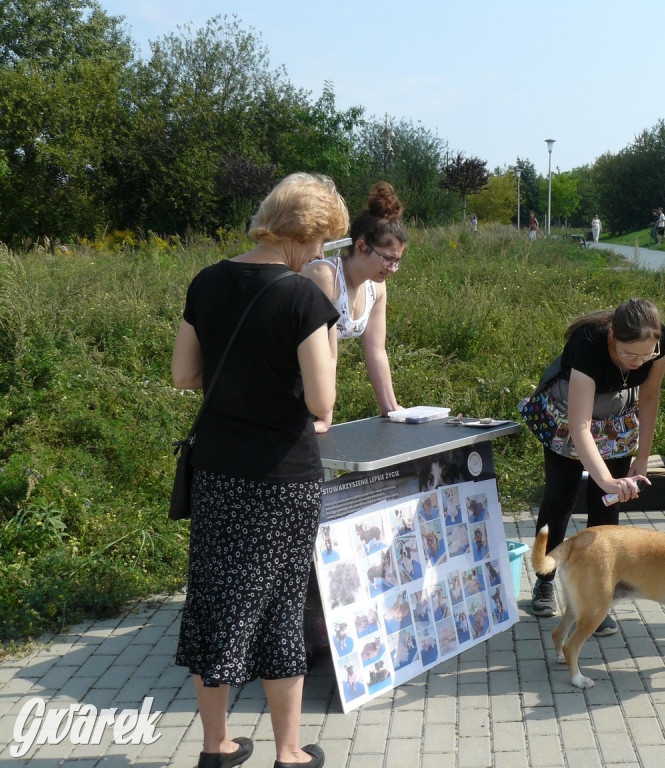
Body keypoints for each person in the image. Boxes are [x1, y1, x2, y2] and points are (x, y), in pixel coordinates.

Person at [171, 172, 348, 768]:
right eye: (324, 242)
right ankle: (289, 751)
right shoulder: (302, 298)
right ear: (305, 233)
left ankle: (217, 746)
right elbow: (322, 403)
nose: (323, 255)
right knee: (279, 609)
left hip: (218, 471)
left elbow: (184, 375)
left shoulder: (207, 281)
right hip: (282, 478)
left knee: (218, 603)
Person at [529, 299, 665, 636]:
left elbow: (649, 399)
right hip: (570, 414)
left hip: (617, 417)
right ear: (612, 337)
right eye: (629, 355)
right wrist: (606, 478)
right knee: (559, 500)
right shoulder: (588, 344)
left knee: (606, 510)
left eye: (646, 356)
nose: (638, 364)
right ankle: (544, 580)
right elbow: (579, 427)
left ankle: (596, 601)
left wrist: (641, 457)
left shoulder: (660, 341)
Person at [302, 181, 406, 416]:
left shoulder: (376, 288)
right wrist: (324, 415)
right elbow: (325, 353)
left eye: (397, 261)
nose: (392, 269)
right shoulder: (324, 277)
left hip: (311, 384)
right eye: (388, 259)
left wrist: (392, 410)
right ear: (361, 247)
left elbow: (376, 351)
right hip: (286, 380)